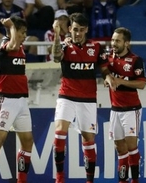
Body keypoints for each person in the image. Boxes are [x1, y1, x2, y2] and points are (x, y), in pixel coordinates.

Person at [51, 12, 115, 183]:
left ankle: (89, 180)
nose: (77, 33)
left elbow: (104, 68)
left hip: (87, 99)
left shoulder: (96, 47)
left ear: (86, 30)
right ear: (70, 29)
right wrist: (57, 35)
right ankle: (59, 178)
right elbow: (56, 57)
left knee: (88, 139)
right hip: (66, 96)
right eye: (75, 29)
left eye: (81, 30)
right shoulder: (64, 46)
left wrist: (108, 78)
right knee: (59, 134)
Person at [0, 16, 34, 183]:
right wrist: (11, 25)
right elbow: (11, 44)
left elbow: (1, 72)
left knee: (27, 141)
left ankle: (21, 181)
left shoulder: (21, 47)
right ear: (14, 31)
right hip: (5, 100)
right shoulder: (4, 43)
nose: (25, 36)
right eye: (22, 32)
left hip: (22, 101)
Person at [107, 27, 146, 183]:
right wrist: (108, 78)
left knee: (131, 146)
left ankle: (135, 181)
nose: (113, 43)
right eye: (112, 40)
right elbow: (102, 70)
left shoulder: (136, 60)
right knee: (120, 148)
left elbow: (142, 84)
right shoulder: (108, 59)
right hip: (115, 109)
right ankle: (123, 181)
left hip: (131, 109)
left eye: (117, 40)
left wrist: (120, 81)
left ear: (127, 43)